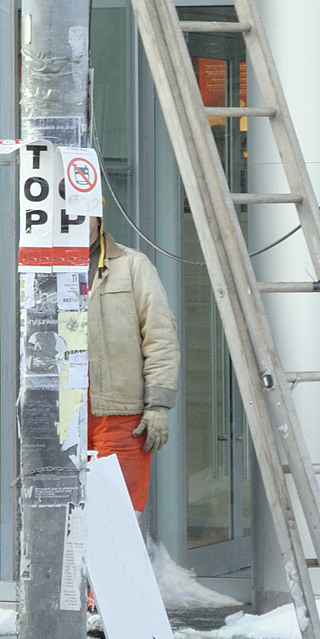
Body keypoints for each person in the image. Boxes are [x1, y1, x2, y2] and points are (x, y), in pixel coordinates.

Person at [86, 213, 179, 517]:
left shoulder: (132, 265)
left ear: (98, 217)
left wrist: (158, 406)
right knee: (62, 512)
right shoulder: (41, 266)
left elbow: (160, 336)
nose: (72, 218)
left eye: (81, 210)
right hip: (55, 414)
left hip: (119, 413)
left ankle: (117, 566)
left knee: (119, 514)